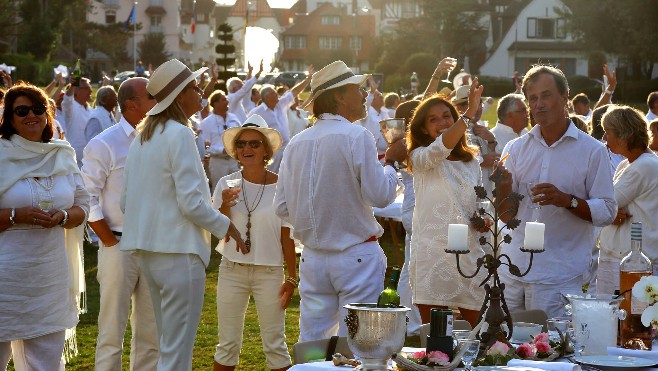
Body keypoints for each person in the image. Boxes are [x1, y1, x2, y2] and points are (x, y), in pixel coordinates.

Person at [120, 59, 245, 370]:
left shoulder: (143, 137)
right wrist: (227, 226)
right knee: (176, 355)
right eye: (194, 86)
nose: (201, 90)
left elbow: (126, 201)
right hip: (178, 254)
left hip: (150, 253)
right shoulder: (179, 134)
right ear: (178, 95)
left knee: (168, 349)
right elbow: (191, 203)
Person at [274, 60, 400, 341]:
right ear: (340, 96)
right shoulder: (357, 135)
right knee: (358, 343)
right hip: (355, 256)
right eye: (359, 88)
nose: (365, 93)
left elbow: (282, 207)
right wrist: (392, 163)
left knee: (314, 343)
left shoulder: (296, 142)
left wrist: (318, 213)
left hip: (314, 259)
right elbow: (380, 195)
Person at [496, 65, 616, 318]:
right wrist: (504, 186)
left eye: (546, 95)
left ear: (565, 97)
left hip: (559, 274)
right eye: (533, 98)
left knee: (551, 353)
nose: (539, 104)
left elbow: (606, 211)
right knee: (499, 350)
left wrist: (567, 201)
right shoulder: (516, 148)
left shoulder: (592, 150)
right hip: (512, 270)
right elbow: (507, 217)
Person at [0, 82, 89, 370]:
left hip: (48, 279)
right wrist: (16, 215)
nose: (31, 116)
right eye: (21, 110)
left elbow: (83, 206)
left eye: (38, 109)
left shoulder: (62, 154)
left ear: (47, 114)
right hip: (6, 281)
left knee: (46, 365)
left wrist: (62, 217)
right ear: (9, 119)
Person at [81, 77, 159, 370]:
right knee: (111, 330)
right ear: (131, 105)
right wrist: (109, 240)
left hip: (153, 244)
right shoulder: (104, 143)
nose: (157, 101)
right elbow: (86, 196)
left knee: (151, 332)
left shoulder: (158, 138)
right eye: (151, 96)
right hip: (118, 243)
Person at [212, 114, 295, 371]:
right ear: (236, 151)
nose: (247, 149)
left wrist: (291, 278)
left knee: (275, 345)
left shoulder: (282, 186)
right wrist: (225, 204)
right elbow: (218, 228)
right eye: (242, 144)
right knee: (227, 345)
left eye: (254, 144)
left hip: (269, 272)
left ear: (265, 151)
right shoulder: (226, 184)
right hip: (232, 270)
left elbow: (287, 235)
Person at [406, 80, 488, 327]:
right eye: (433, 119)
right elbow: (440, 148)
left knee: (484, 331)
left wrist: (485, 218)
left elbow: (478, 201)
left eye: (446, 116)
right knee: (437, 336)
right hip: (432, 254)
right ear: (423, 129)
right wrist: (469, 115)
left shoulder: (471, 162)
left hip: (467, 252)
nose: (442, 122)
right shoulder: (421, 157)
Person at [596, 106, 658, 294]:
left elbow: (606, 204)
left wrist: (609, 212)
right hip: (621, 257)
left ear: (624, 135)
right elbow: (608, 208)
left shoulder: (643, 166)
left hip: (633, 262)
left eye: (608, 132)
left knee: (623, 320)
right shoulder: (629, 163)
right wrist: (610, 213)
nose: (604, 138)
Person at [385, 99, 423, 336]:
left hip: (413, 208)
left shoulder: (409, 144)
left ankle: (405, 318)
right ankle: (413, 320)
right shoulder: (408, 146)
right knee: (415, 267)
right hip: (416, 209)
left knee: (412, 266)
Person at [248, 68, 313, 173]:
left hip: (287, 148)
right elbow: (248, 130)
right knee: (273, 177)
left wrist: (307, 79)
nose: (277, 96)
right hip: (272, 152)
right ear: (267, 98)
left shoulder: (280, 105)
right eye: (274, 94)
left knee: (289, 176)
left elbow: (293, 92)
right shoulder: (257, 112)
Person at [200, 90, 241, 191]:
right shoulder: (206, 122)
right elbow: (205, 145)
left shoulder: (234, 118)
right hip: (217, 162)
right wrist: (221, 150)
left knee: (237, 190)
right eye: (223, 100)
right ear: (215, 103)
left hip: (234, 161)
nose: (227, 102)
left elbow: (241, 135)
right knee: (219, 190)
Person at [62, 77, 93, 167]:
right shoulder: (71, 108)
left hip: (90, 159)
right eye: (87, 88)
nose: (91, 90)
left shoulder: (91, 110)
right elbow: (67, 100)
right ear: (77, 91)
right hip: (74, 161)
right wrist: (73, 85)